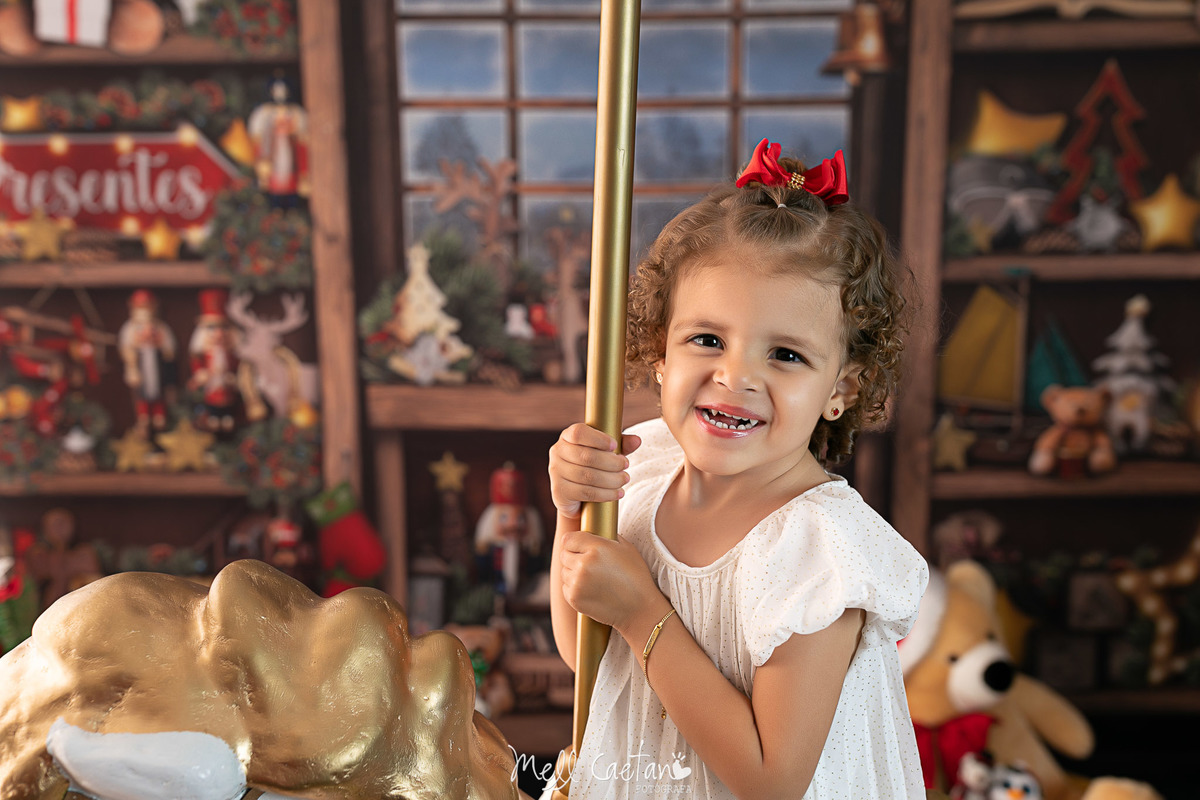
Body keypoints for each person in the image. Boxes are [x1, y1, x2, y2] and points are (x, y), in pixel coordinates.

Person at [545, 139, 929, 799]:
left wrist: (642, 614)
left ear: (842, 388)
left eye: (785, 355)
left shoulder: (815, 550)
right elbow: (586, 656)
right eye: (707, 339)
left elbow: (772, 780)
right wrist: (574, 512)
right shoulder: (643, 472)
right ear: (660, 353)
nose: (735, 376)